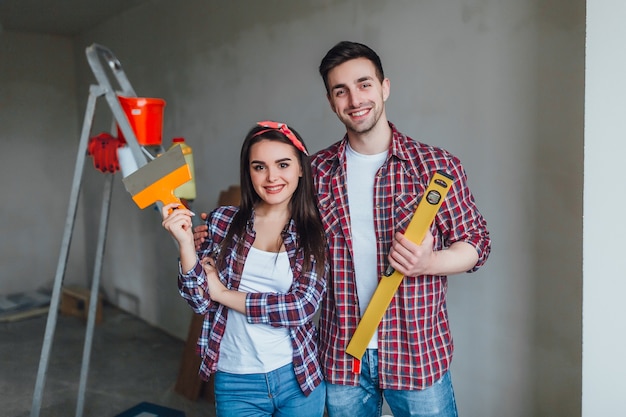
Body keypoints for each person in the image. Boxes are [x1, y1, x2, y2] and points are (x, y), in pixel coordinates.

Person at [195, 41, 491, 417]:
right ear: (331, 101)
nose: (355, 99)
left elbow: (477, 243)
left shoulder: (435, 166)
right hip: (341, 355)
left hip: (417, 352)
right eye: (341, 90)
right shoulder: (314, 173)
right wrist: (214, 235)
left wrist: (428, 262)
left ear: (384, 87)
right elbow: (267, 215)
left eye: (364, 84)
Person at [162, 121, 328, 417]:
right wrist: (186, 245)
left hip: (298, 377)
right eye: (259, 166)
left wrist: (223, 294)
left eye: (283, 164)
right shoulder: (223, 222)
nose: (272, 177)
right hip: (236, 380)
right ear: (248, 172)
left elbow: (300, 308)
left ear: (301, 169)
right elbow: (199, 300)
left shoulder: (313, 231)